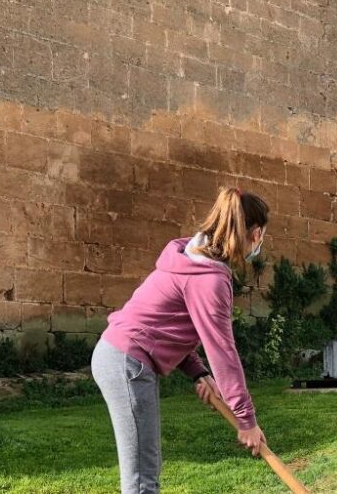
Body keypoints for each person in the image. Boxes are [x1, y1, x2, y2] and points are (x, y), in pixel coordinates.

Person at [91, 187, 269, 494]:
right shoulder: (209, 278)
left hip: (121, 356)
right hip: (127, 362)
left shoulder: (191, 258)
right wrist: (246, 421)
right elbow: (223, 352)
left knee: (145, 472)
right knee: (142, 480)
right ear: (255, 233)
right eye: (262, 235)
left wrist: (198, 372)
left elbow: (166, 326)